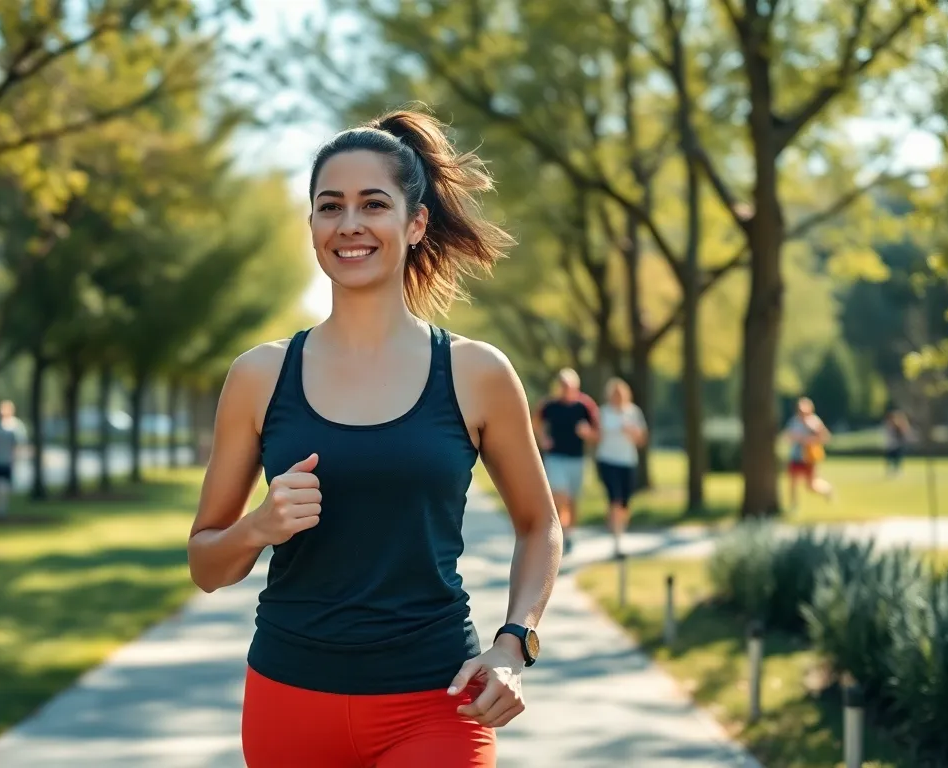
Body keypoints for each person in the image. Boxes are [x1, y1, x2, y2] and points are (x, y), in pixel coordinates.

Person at [186, 108, 562, 768]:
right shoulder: (259, 376)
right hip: (289, 703)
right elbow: (206, 565)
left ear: (415, 224)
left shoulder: (476, 372)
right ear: (312, 226)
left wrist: (514, 642)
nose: (349, 223)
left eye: (374, 204)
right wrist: (259, 527)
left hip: (438, 703)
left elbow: (540, 525)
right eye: (330, 206)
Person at [532, 368, 598, 554]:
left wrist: (587, 433)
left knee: (573, 500)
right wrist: (543, 438)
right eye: (563, 385)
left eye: (569, 386)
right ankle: (558, 531)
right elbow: (535, 422)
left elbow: (597, 433)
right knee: (559, 494)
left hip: (577, 459)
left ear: (576, 386)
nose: (566, 389)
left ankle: (569, 534)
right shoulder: (549, 405)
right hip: (555, 457)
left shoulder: (585, 405)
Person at [594, 377, 647, 554]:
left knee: (624, 503)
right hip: (607, 460)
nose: (617, 397)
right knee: (615, 499)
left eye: (620, 393)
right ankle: (617, 540)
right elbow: (596, 436)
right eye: (614, 394)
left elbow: (642, 439)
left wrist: (632, 431)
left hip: (628, 461)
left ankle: (616, 524)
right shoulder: (603, 412)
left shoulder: (633, 412)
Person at [785, 396, 834, 510]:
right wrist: (794, 438)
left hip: (808, 457)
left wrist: (809, 440)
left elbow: (825, 437)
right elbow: (788, 436)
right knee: (793, 481)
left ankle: (827, 489)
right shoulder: (794, 421)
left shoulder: (814, 421)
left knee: (811, 485)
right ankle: (793, 506)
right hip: (796, 455)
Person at [0, 400, 27, 517]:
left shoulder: (15, 425)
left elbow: (20, 443)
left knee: (5, 487)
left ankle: (2, 510)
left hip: (8, 461)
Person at [883, 408, 911, 477]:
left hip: (897, 445)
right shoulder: (889, 425)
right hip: (891, 445)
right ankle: (891, 471)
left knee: (897, 459)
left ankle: (897, 471)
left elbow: (903, 435)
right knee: (890, 459)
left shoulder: (899, 426)